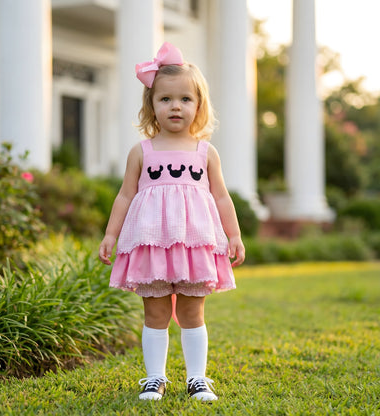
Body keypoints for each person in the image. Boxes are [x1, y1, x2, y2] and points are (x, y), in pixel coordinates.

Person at [99, 42, 245, 402]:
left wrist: (234, 236)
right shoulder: (142, 151)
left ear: (199, 105)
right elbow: (125, 195)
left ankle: (198, 378)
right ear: (151, 105)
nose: (175, 106)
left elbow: (222, 196)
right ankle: (155, 378)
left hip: (193, 242)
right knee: (157, 310)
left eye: (185, 99)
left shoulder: (205, 151)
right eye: (165, 99)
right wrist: (110, 234)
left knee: (193, 310)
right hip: (153, 243)